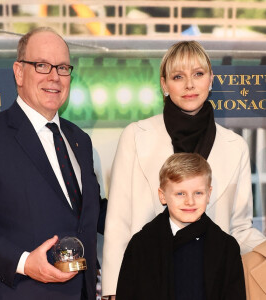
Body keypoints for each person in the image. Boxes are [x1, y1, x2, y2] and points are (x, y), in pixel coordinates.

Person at [102, 40, 265, 298]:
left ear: (211, 80)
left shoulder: (236, 147)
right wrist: (112, 288)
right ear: (164, 85)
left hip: (209, 283)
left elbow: (240, 228)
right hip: (148, 279)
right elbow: (118, 221)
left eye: (198, 74)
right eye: (179, 76)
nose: (190, 85)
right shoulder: (135, 135)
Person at [0, 27, 101, 300]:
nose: (54, 76)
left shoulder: (80, 141)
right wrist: (24, 262)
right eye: (42, 65)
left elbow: (88, 214)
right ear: (19, 72)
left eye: (63, 68)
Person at [116, 153, 246, 300]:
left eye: (198, 193)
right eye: (180, 193)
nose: (190, 201)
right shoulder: (141, 244)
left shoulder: (226, 247)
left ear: (209, 194)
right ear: (162, 195)